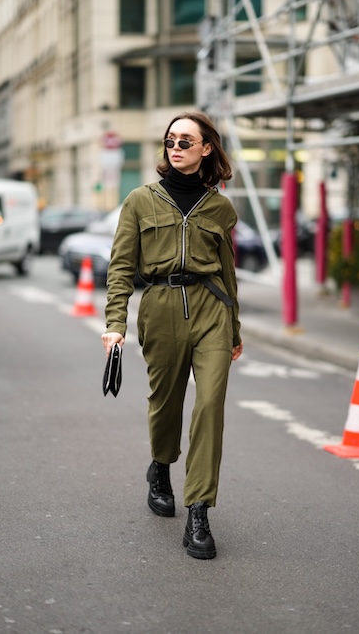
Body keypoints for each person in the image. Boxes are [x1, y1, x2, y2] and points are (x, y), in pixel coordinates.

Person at [101, 111, 243, 560]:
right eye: (170, 140)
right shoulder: (140, 201)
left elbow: (228, 272)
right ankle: (160, 467)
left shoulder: (221, 208)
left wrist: (234, 327)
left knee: (209, 403)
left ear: (206, 149)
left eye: (186, 140)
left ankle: (199, 508)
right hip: (160, 308)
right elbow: (121, 266)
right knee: (165, 403)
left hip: (210, 310)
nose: (176, 146)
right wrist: (115, 324)